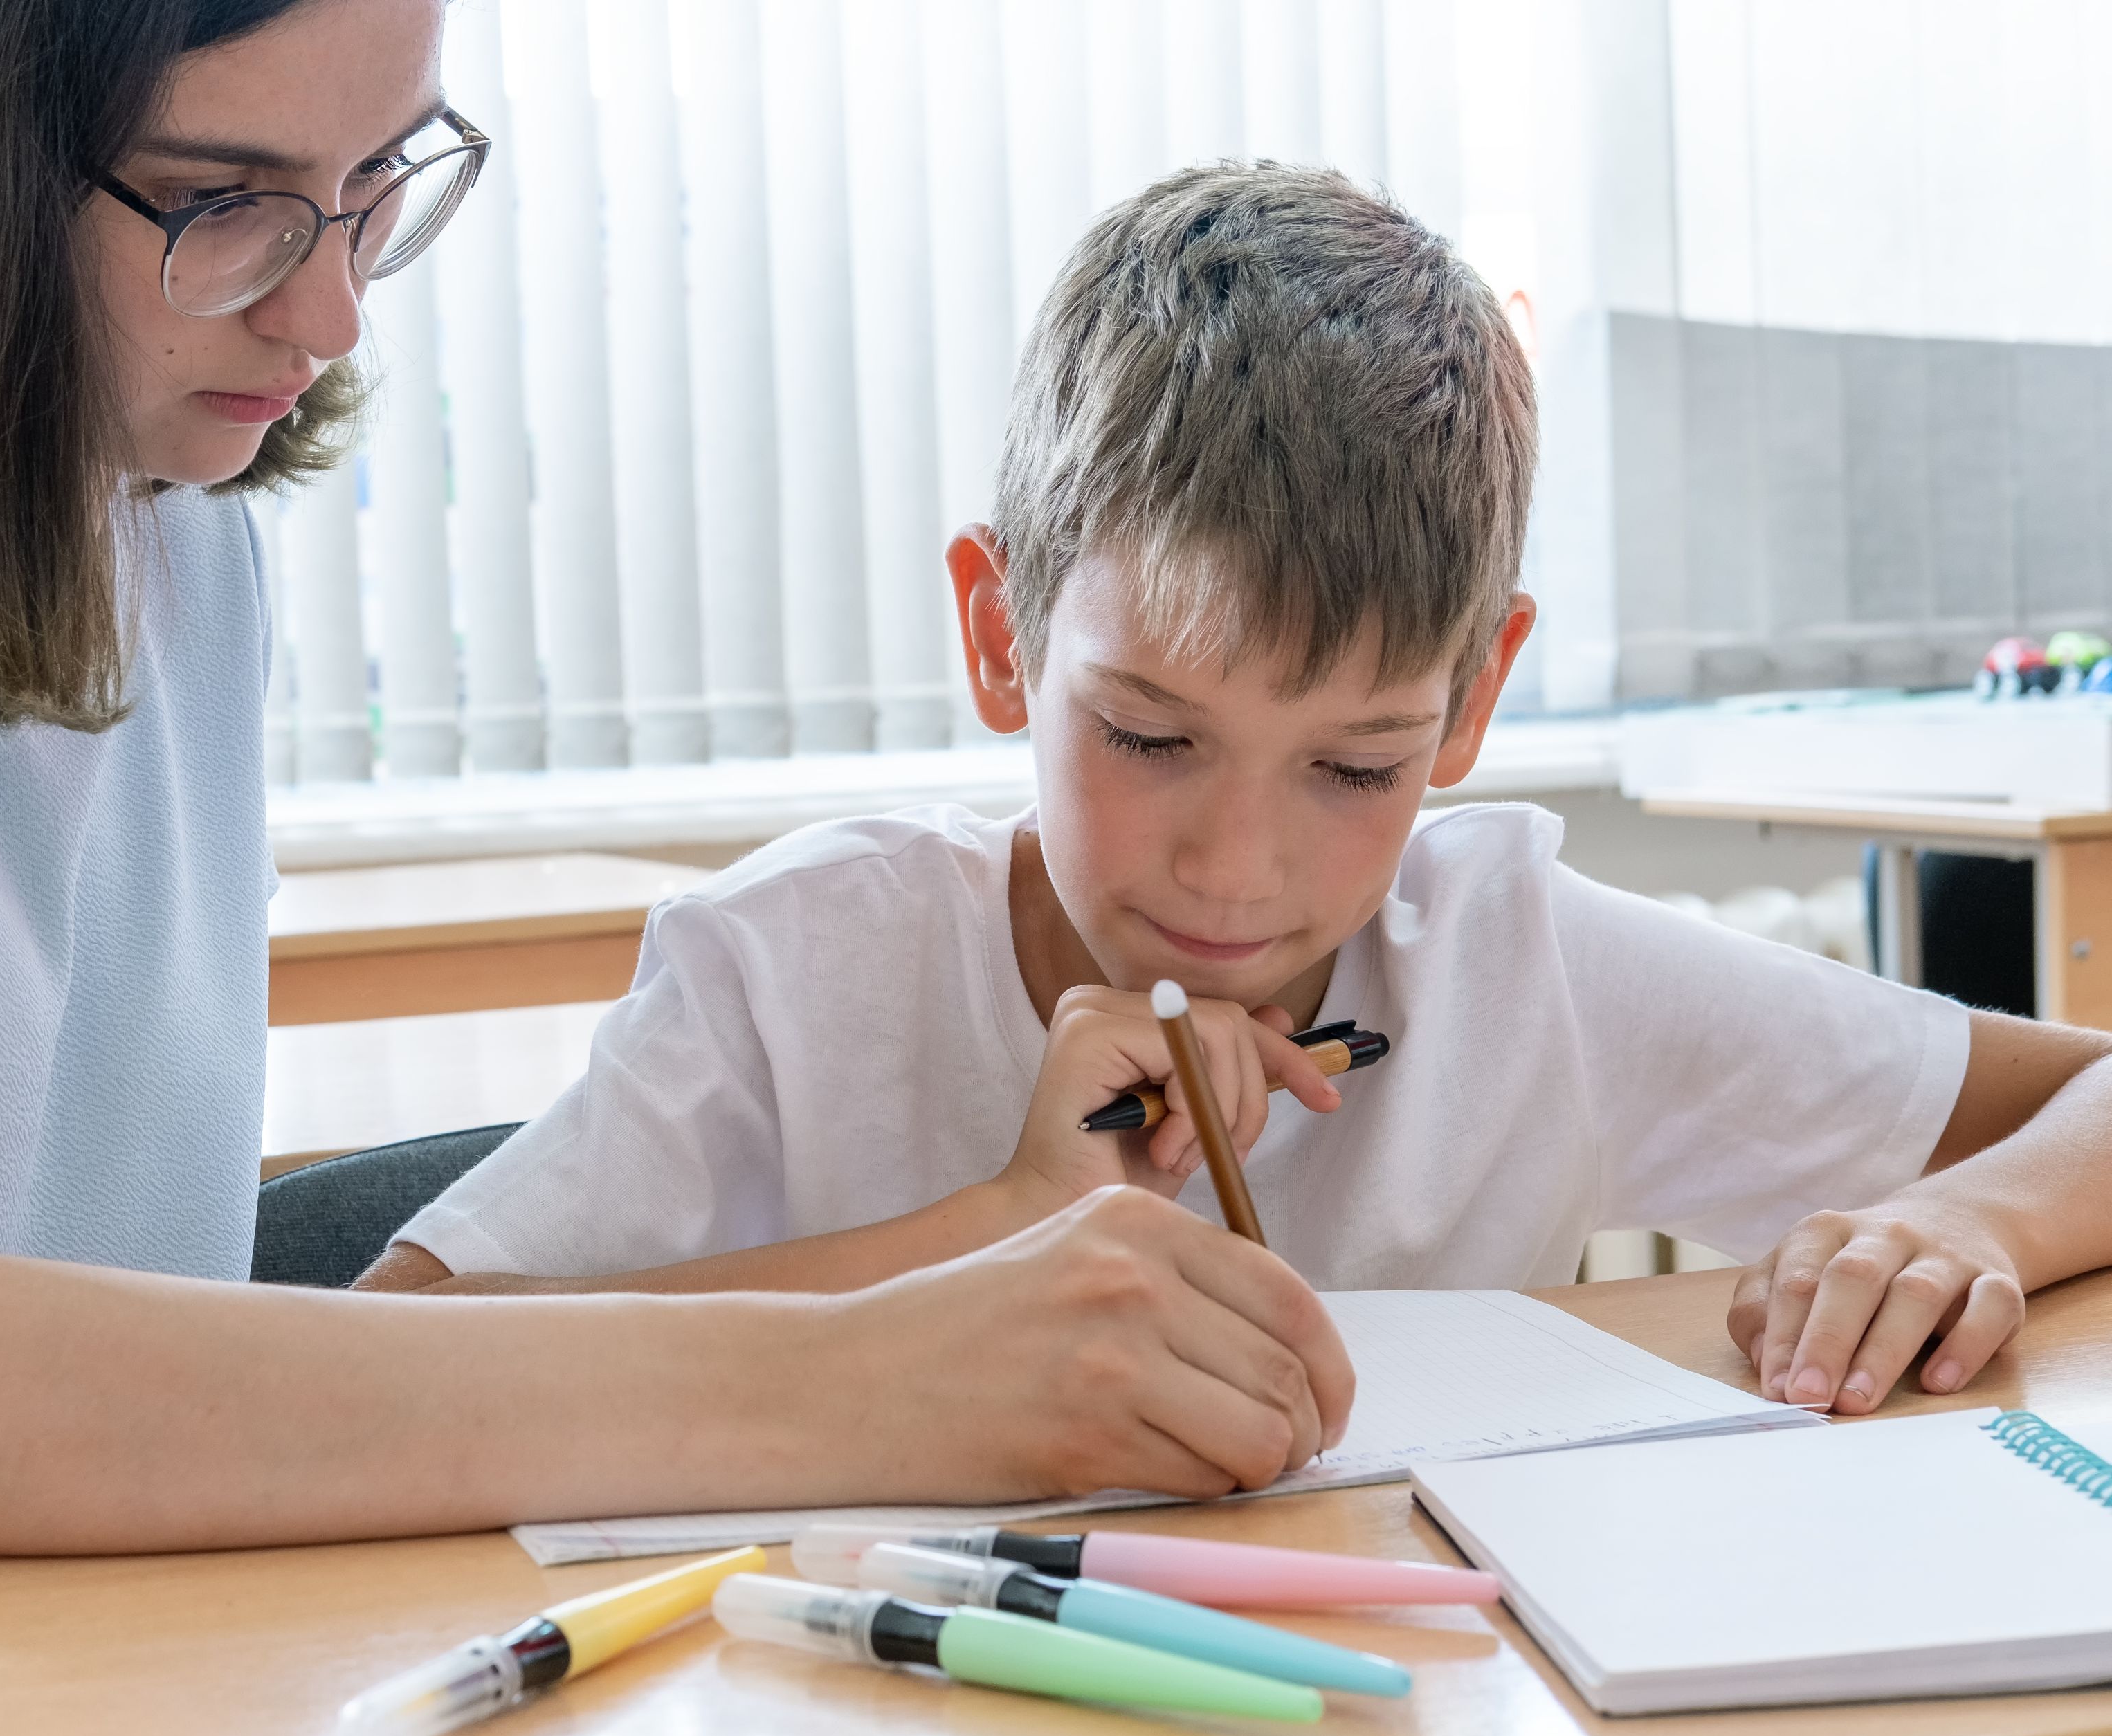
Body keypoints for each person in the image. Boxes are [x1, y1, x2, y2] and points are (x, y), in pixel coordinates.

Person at [0, 0, 1354, 1547]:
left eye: (379, 186)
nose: (326, 309)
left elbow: (187, 1394)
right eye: (225, 204)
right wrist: (860, 1382)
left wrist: (982, 1247)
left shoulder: (183, 557)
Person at [363, 163, 2112, 1427]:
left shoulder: (1520, 967)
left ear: (1467, 703)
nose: (1237, 865)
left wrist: (1978, 1213)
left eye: (1354, 766)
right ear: (999, 636)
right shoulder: (786, 973)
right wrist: (994, 1232)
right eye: (1144, 736)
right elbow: (378, 1363)